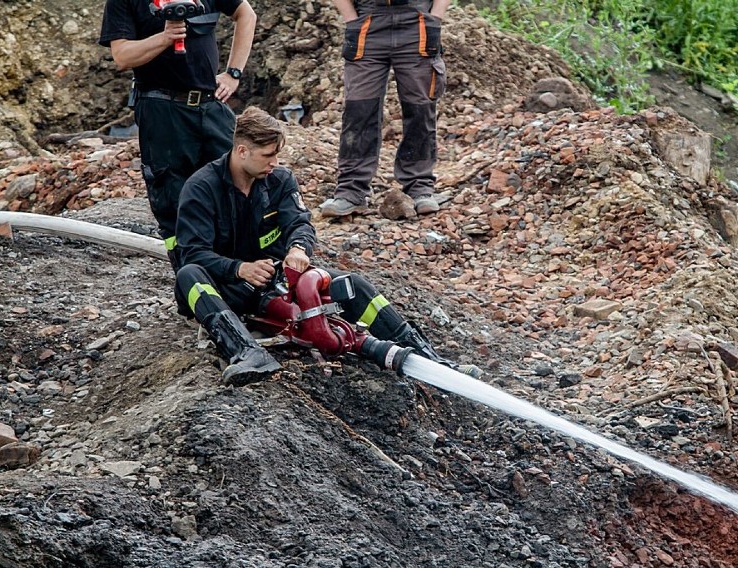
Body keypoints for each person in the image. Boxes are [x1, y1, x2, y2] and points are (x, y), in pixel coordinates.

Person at [175, 106, 472, 386]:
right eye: (267, 155)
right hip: (229, 285)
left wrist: (298, 250)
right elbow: (194, 253)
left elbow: (300, 223)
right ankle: (246, 353)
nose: (274, 163)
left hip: (277, 277)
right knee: (189, 276)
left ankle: (425, 355)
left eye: (277, 155)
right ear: (242, 151)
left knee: (353, 285)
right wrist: (239, 269)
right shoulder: (201, 188)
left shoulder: (279, 180)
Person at [99, 0, 256, 270]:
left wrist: (233, 73)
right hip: (161, 109)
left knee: (240, 183)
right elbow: (122, 56)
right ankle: (192, 280)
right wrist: (166, 36)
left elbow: (246, 14)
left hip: (210, 105)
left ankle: (243, 274)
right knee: (173, 200)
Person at [320, 0, 449, 218]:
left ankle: (419, 186)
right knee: (359, 110)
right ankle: (351, 190)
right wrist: (351, 18)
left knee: (420, 108)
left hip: (416, 21)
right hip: (368, 22)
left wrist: (435, 16)